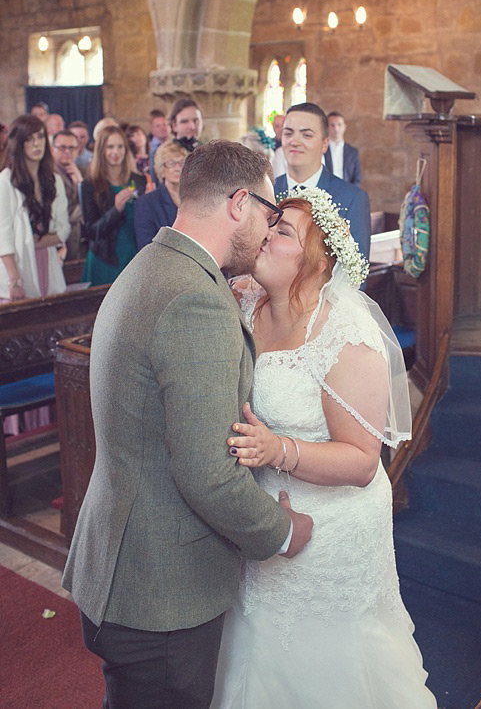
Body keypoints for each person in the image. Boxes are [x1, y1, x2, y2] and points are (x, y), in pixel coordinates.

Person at [62, 140, 313, 709]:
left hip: (125, 564)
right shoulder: (192, 300)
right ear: (239, 203)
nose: (270, 228)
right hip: (159, 587)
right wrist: (280, 530)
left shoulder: (154, 264)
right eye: (269, 214)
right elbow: (207, 472)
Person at [212, 188, 436, 709]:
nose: (266, 236)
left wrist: (278, 450)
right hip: (266, 515)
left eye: (283, 231)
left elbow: (362, 462)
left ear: (318, 261)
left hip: (333, 526)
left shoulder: (346, 333)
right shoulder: (246, 302)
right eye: (269, 226)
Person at [0, 115, 70, 432]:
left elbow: (64, 230)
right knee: (22, 343)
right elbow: (3, 236)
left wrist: (39, 239)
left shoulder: (51, 179)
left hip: (48, 267)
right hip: (19, 269)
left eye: (41, 138)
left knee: (49, 334)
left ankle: (50, 419)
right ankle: (21, 424)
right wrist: (13, 278)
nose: (37, 144)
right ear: (18, 144)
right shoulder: (5, 182)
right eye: (30, 139)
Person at [274, 102, 371, 260]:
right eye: (288, 133)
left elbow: (357, 275)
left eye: (307, 135)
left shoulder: (351, 199)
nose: (295, 141)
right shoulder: (268, 191)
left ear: (324, 144)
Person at [79, 125, 146, 285]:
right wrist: (116, 210)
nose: (115, 152)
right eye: (110, 147)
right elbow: (91, 231)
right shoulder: (89, 185)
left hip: (135, 255)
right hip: (105, 258)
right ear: (101, 150)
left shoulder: (139, 180)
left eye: (120, 146)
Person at [134, 139, 188, 249]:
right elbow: (146, 247)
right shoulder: (146, 203)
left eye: (181, 163)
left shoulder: (195, 199)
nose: (177, 168)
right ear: (161, 170)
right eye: (171, 163)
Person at [51, 129, 83, 261]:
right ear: (52, 149)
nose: (67, 152)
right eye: (62, 147)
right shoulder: (49, 176)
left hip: (78, 241)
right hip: (58, 243)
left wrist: (80, 182)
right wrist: (85, 210)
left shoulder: (80, 170)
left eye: (72, 148)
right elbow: (63, 213)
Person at [325, 109, 362, 186]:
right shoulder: (322, 150)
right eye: (332, 125)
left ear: (344, 127)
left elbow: (356, 177)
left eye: (339, 125)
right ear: (327, 127)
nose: (336, 129)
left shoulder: (352, 152)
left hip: (347, 192)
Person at [271, 112, 286, 178]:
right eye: (277, 126)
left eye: (282, 125)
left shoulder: (293, 144)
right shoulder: (267, 145)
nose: (280, 129)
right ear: (273, 128)